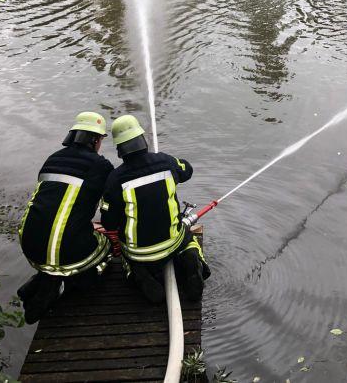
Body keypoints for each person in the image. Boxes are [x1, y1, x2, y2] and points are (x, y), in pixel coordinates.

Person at [100, 115, 210, 304]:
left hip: (139, 253)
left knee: (129, 255)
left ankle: (139, 274)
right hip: (172, 243)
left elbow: (108, 222)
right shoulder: (166, 162)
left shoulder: (114, 179)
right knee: (188, 239)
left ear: (119, 149)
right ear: (142, 140)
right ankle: (192, 259)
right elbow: (187, 170)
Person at [17, 112, 114, 323]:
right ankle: (61, 285)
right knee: (106, 245)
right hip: (67, 251)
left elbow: (57, 204)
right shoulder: (101, 166)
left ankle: (43, 279)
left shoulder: (52, 159)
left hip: (29, 245)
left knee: (61, 240)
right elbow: (112, 208)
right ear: (96, 140)